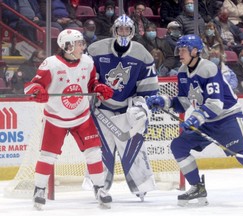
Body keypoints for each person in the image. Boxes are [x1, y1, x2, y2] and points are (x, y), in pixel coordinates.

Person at [145, 34, 243, 207]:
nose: (180, 53)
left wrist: (195, 119)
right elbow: (183, 102)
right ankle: (197, 187)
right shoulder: (182, 72)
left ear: (195, 51)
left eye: (183, 50)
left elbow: (216, 104)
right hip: (205, 120)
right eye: (179, 50)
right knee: (178, 146)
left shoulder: (208, 68)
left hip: (227, 118)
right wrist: (164, 101)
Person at [24, 29, 114, 210]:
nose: (83, 46)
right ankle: (39, 190)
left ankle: (100, 188)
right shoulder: (51, 64)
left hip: (81, 116)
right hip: (55, 118)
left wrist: (99, 87)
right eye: (79, 43)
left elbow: (91, 84)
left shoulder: (87, 62)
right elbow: (32, 86)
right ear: (68, 46)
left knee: (94, 152)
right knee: (48, 156)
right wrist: (37, 91)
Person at [87, 14, 159, 202]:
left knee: (133, 148)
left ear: (133, 32)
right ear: (114, 30)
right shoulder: (95, 50)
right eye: (121, 29)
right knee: (101, 149)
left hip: (127, 109)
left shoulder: (142, 54)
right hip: (101, 108)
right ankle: (99, 184)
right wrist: (93, 89)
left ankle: (141, 186)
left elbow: (149, 88)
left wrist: (142, 106)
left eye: (127, 30)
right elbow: (86, 76)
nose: (124, 33)